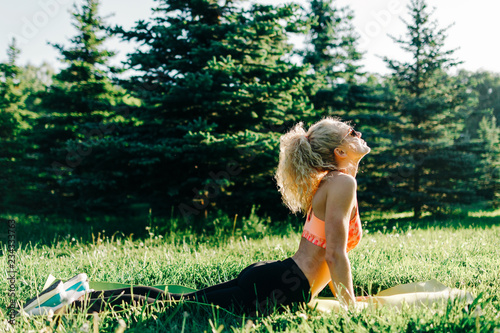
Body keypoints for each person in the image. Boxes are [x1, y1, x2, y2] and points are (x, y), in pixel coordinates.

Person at [23, 117, 370, 316]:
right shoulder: (341, 183)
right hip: (282, 283)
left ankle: (75, 294)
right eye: (351, 132)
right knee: (174, 306)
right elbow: (335, 253)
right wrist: (351, 309)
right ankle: (69, 304)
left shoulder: (334, 181)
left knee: (177, 301)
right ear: (340, 151)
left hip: (279, 276)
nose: (357, 132)